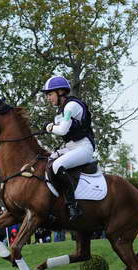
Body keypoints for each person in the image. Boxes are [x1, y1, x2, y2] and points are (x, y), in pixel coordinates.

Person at [42, 76, 96, 221]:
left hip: (84, 148)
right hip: (71, 147)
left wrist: (51, 127)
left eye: (50, 94)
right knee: (46, 162)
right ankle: (53, 205)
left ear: (60, 92)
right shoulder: (61, 111)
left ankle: (73, 206)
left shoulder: (71, 106)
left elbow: (63, 130)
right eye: (47, 95)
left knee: (57, 166)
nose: (48, 98)